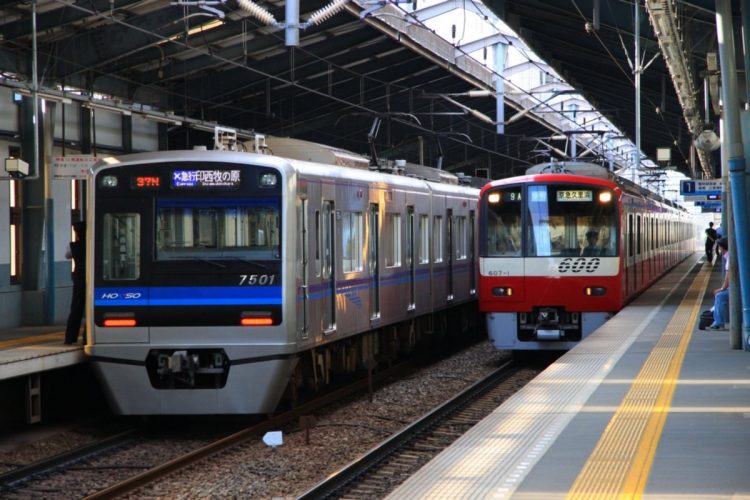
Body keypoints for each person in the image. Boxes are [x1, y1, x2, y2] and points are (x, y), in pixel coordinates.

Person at [64, 221, 86, 344]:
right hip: (92, 279)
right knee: (91, 309)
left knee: (76, 308)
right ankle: (88, 336)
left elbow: (67, 256)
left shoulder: (72, 246)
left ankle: (70, 337)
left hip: (79, 279)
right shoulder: (93, 244)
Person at [709, 237, 729, 330]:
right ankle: (717, 321)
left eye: (719, 247)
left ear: (723, 247)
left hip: (740, 290)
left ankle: (718, 323)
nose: (719, 248)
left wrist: (722, 288)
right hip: (739, 287)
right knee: (720, 295)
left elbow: (729, 276)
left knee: (720, 296)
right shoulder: (730, 256)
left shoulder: (730, 257)